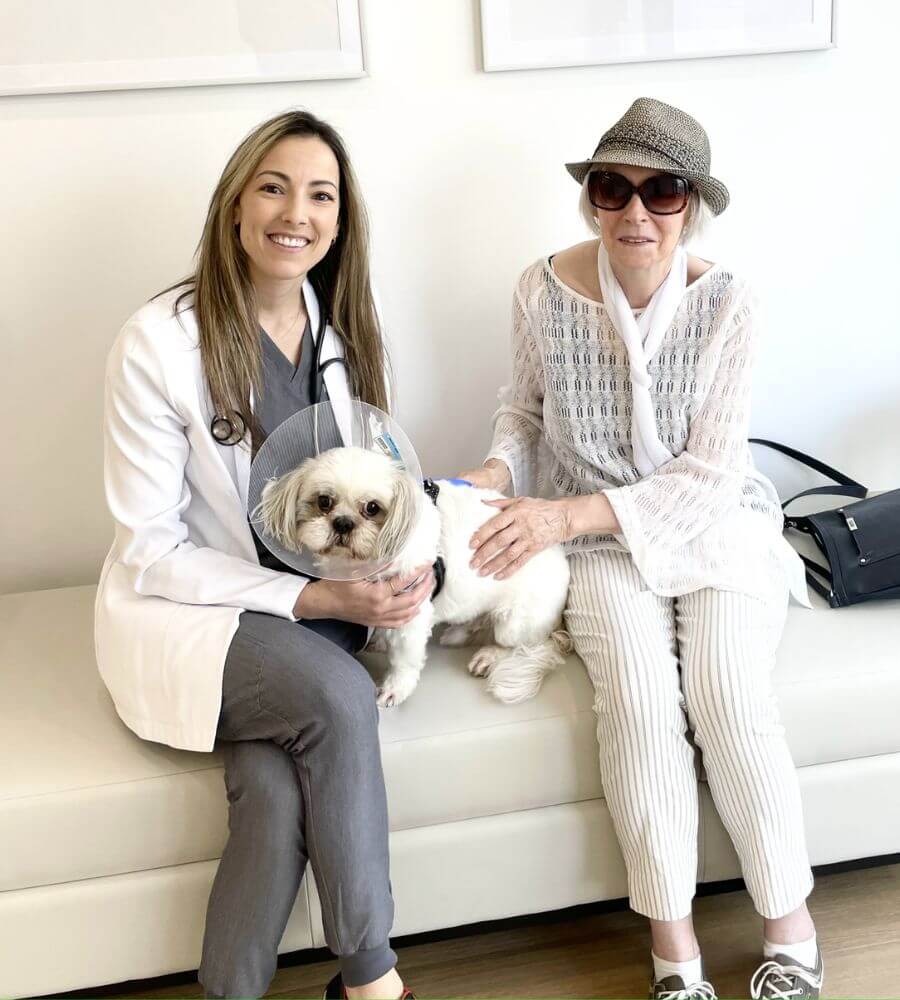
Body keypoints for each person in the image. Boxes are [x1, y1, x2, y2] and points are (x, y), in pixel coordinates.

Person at [459, 98, 823, 1000]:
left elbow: (708, 475)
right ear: (589, 198)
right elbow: (526, 413)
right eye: (613, 188)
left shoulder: (731, 304)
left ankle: (789, 924)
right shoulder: (539, 289)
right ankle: (675, 952)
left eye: (661, 192)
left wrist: (563, 516)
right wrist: (497, 475)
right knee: (638, 704)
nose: (635, 213)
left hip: (711, 525)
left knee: (728, 695)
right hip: (597, 545)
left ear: (691, 204)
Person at [95, 110, 429, 1000]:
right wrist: (317, 603)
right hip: (193, 609)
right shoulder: (158, 343)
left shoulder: (345, 334)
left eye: (321, 194)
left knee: (276, 796)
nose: (297, 212)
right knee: (336, 697)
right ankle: (372, 980)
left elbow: (384, 483)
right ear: (236, 204)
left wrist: (407, 567)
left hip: (327, 604)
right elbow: (150, 547)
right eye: (274, 186)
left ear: (340, 220)